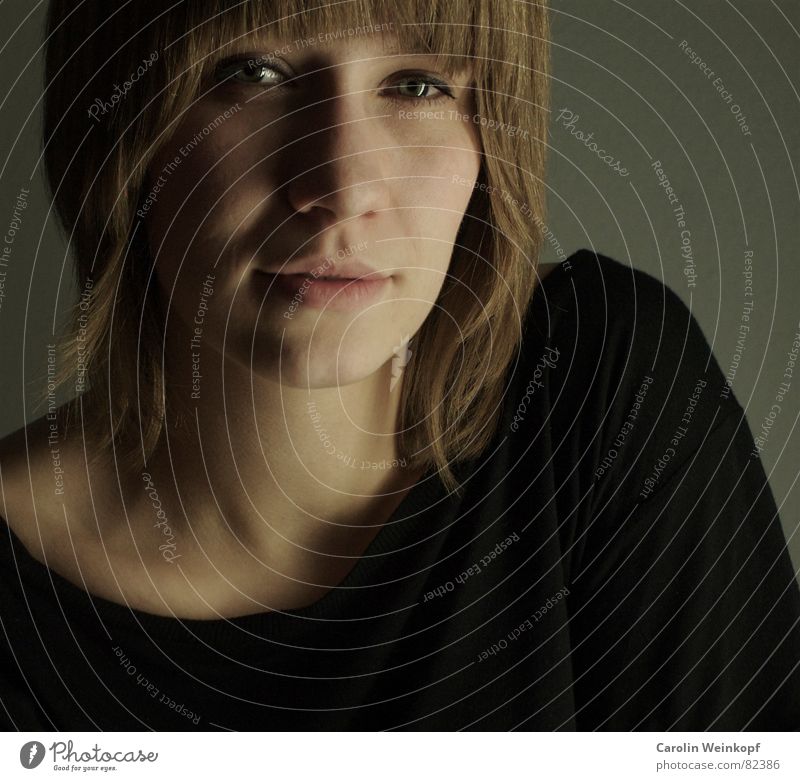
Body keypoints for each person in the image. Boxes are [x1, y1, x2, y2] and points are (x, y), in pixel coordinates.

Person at [1, 0, 798, 731]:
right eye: (253, 73)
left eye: (416, 85)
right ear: (119, 123)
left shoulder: (610, 387)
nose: (341, 187)